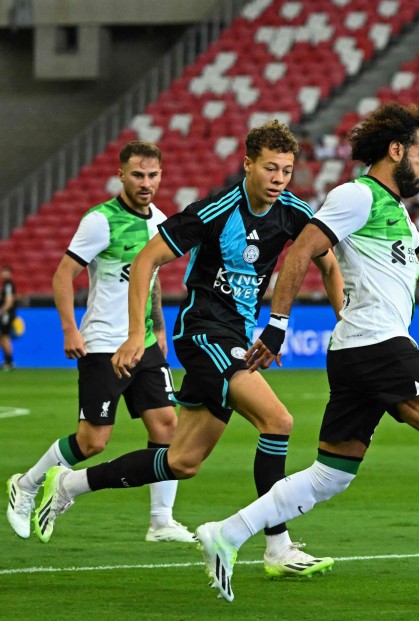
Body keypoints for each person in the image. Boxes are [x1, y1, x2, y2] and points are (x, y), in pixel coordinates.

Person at [193, 102, 419, 603]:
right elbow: (301, 250)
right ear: (396, 150)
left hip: (360, 349)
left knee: (331, 475)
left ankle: (225, 533)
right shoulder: (357, 195)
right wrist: (278, 325)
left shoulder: (394, 209)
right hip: (377, 342)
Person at [31, 121, 346, 582]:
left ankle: (70, 483)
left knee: (182, 461)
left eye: (287, 170)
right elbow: (146, 260)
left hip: (236, 338)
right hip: (201, 332)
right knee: (278, 422)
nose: (279, 178)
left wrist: (346, 322)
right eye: (270, 168)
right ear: (248, 165)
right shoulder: (216, 209)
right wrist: (137, 335)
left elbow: (329, 265)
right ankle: (277, 546)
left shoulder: (294, 213)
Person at [5, 142, 194, 543]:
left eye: (153, 175)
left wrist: (157, 327)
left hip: (141, 342)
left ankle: (161, 520)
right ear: (121, 175)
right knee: (92, 441)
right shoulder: (100, 221)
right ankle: (27, 484)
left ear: (162, 175)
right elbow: (62, 275)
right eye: (138, 175)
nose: (146, 183)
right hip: (103, 344)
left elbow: (152, 280)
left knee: (168, 427)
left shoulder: (161, 220)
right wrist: (70, 329)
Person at [0, 264, 16, 370]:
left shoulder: (9, 285)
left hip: (6, 315)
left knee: (5, 336)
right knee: (3, 336)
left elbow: (9, 301)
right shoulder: (5, 285)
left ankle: (9, 361)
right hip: (6, 314)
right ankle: (7, 360)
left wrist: (2, 311)